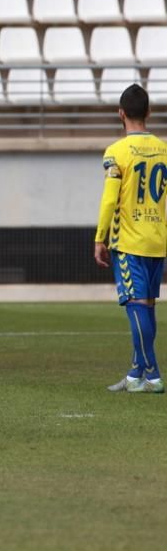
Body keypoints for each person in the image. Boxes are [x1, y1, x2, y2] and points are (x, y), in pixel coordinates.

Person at [97, 84, 167, 394]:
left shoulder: (116, 152)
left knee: (136, 307)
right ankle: (136, 373)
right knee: (147, 306)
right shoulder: (165, 149)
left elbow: (110, 199)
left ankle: (152, 373)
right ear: (149, 112)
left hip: (128, 240)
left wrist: (100, 237)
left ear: (121, 113)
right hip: (157, 239)